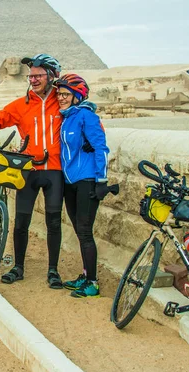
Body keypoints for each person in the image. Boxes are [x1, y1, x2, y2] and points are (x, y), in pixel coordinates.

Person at [0, 54, 64, 289]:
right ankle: (18, 267)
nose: (32, 80)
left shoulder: (64, 101)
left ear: (52, 76)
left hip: (55, 171)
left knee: (54, 223)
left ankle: (53, 270)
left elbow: (86, 114)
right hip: (28, 170)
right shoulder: (22, 104)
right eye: (30, 76)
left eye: (38, 76)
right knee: (21, 222)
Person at [55, 73, 118, 298]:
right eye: (59, 93)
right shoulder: (66, 118)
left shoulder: (86, 117)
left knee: (84, 231)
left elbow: (101, 147)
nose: (60, 97)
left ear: (77, 96)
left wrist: (101, 180)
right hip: (70, 181)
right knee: (80, 231)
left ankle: (92, 283)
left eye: (65, 94)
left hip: (87, 181)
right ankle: (84, 274)